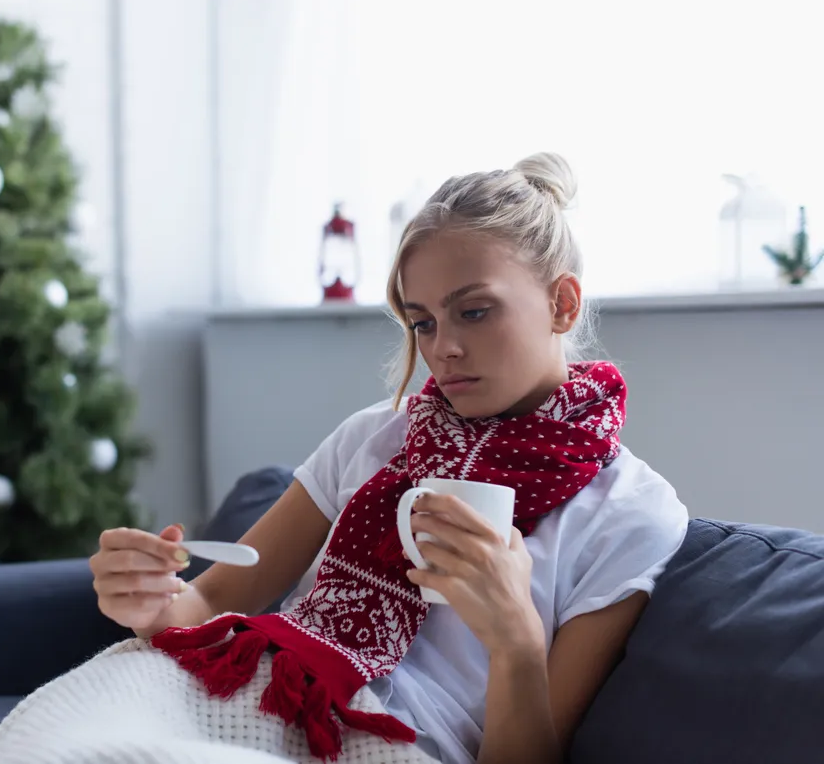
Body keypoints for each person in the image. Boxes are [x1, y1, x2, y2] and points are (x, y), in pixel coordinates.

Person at [89, 152, 689, 764]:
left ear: (562, 304)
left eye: (474, 311)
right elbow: (211, 604)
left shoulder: (630, 513)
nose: (444, 349)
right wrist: (151, 600)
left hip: (388, 745)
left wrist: (515, 640)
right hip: (262, 692)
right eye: (422, 322)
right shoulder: (373, 439)